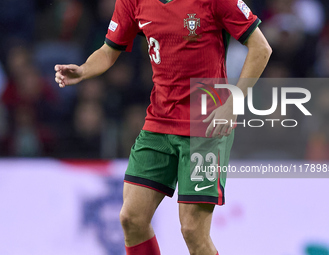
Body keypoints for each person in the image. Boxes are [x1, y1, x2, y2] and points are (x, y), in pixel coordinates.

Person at [55, 0, 271, 254]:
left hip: (206, 128)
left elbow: (261, 48)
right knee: (131, 218)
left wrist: (233, 102)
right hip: (158, 123)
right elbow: (108, 51)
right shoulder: (131, 2)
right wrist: (82, 70)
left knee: (193, 230)